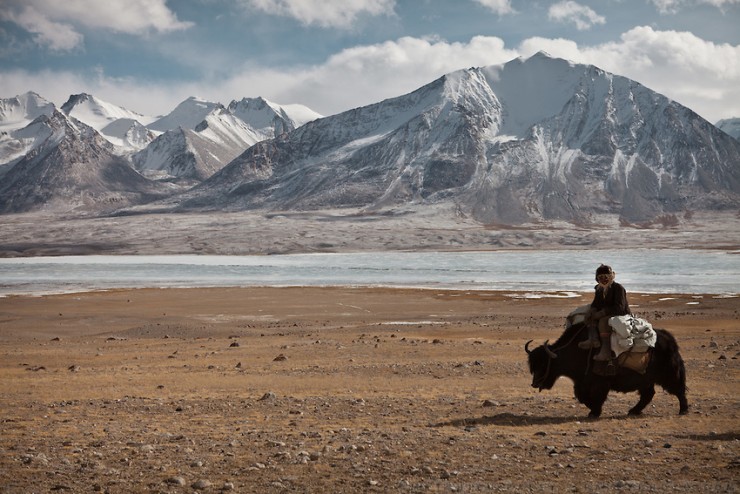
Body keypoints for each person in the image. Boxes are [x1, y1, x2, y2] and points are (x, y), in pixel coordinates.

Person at [578, 264, 631, 361]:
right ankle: (593, 339)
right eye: (600, 277)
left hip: (621, 314)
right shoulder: (599, 289)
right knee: (590, 317)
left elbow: (620, 307)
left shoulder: (618, 288)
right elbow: (596, 303)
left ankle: (605, 352)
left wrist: (602, 313)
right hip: (607, 313)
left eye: (606, 276)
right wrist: (592, 311)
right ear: (597, 279)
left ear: (611, 276)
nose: (604, 279)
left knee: (603, 322)